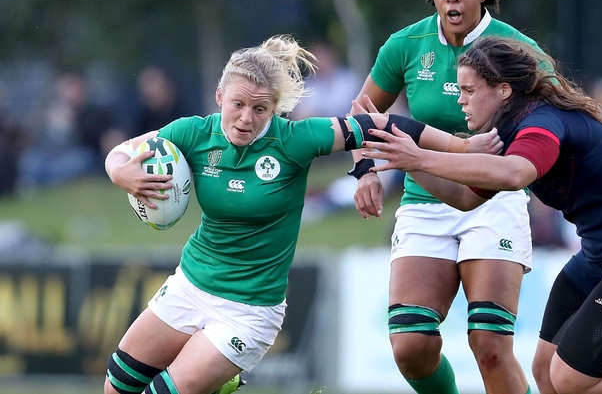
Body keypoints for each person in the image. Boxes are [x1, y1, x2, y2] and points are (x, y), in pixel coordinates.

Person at [102, 34, 495, 394]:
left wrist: (464, 149)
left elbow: (383, 124)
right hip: (190, 285)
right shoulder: (194, 133)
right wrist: (120, 170)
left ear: (275, 109)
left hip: (249, 311)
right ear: (220, 95)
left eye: (260, 109)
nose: (245, 118)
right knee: (117, 386)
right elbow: (123, 151)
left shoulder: (294, 141)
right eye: (238, 104)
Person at [361, 36, 602, 394]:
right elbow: (463, 198)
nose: (461, 101)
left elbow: (515, 174)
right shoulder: (507, 132)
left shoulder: (542, 121)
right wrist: (405, 159)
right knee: (545, 370)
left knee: (569, 377)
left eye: (469, 91)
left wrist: (422, 157)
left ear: (503, 90)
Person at [349, 0, 548, 393]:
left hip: (493, 200)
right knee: (410, 347)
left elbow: (561, 111)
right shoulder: (405, 46)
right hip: (426, 201)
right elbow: (361, 114)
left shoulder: (517, 50)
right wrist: (364, 169)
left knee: (490, 344)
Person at [17, 71, 115, 189]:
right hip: (50, 153)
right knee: (31, 159)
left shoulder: (94, 111)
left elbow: (92, 141)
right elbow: (36, 138)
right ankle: (35, 181)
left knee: (81, 161)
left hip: (77, 153)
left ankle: (42, 182)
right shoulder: (52, 109)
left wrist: (73, 123)